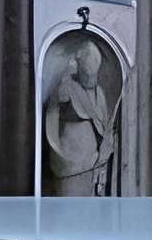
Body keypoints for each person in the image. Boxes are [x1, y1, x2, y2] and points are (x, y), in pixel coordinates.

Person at [43, 39, 120, 196]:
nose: (91, 78)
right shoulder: (66, 86)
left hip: (94, 165)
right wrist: (66, 72)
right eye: (87, 71)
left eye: (93, 73)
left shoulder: (99, 92)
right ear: (78, 65)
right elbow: (56, 104)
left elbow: (104, 126)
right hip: (71, 167)